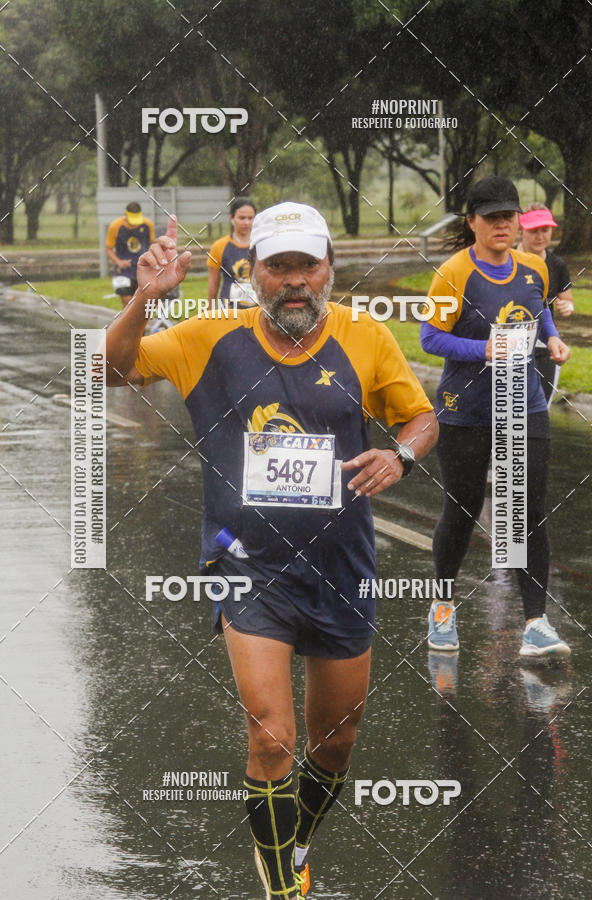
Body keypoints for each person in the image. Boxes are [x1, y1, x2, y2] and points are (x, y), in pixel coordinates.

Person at [106, 202, 438, 899]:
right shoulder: (208, 338)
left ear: (329, 269)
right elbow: (112, 369)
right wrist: (143, 297)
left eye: (305, 266)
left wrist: (401, 456)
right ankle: (284, 885)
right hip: (247, 562)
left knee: (335, 743)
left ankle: (294, 837)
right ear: (252, 272)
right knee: (271, 737)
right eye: (277, 266)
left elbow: (420, 416)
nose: (293, 281)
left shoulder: (364, 337)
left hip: (342, 566)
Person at [420, 176, 571, 659]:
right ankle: (442, 606)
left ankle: (536, 622)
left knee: (525, 514)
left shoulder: (533, 268)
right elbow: (429, 337)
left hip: (523, 405)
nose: (502, 224)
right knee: (462, 512)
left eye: (508, 216)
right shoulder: (452, 273)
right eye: (491, 217)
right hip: (465, 411)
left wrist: (552, 339)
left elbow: (539, 310)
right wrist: (480, 347)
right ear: (473, 222)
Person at [517, 203, 575, 404]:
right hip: (510, 345)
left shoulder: (557, 265)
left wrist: (567, 307)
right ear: (520, 230)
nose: (540, 236)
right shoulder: (504, 260)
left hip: (545, 344)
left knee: (541, 409)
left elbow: (566, 300)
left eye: (545, 230)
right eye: (533, 231)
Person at [207, 197, 257, 307]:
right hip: (229, 309)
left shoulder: (261, 245)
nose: (246, 222)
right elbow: (213, 285)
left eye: (250, 218)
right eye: (242, 218)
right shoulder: (219, 246)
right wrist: (210, 313)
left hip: (257, 311)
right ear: (232, 218)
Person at [106, 201, 155, 307]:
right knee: (127, 302)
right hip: (122, 271)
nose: (135, 223)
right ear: (125, 215)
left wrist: (150, 260)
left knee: (141, 304)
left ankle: (139, 323)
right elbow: (109, 249)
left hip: (142, 270)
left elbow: (151, 244)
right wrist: (118, 262)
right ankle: (128, 322)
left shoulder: (147, 225)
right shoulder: (115, 226)